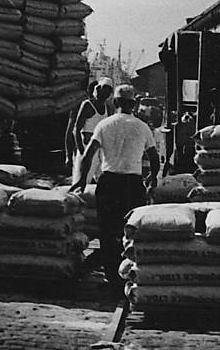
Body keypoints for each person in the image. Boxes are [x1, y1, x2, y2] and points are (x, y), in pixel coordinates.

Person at [70, 84, 159, 293]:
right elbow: (154, 157)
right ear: (133, 104)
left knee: (107, 230)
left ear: (116, 102)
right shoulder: (142, 127)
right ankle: (128, 274)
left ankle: (111, 276)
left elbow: (88, 154)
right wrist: (152, 177)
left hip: (109, 183)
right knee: (129, 231)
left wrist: (82, 181)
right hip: (132, 184)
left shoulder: (104, 125)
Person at [72, 76, 114, 185]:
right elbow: (76, 129)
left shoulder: (107, 108)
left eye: (108, 90)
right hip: (87, 147)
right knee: (81, 181)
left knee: (103, 182)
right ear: (98, 89)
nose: (105, 93)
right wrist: (82, 152)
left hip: (100, 150)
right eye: (104, 89)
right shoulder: (87, 105)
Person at [65, 81, 98, 169]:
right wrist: (68, 156)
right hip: (82, 148)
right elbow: (71, 131)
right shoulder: (81, 107)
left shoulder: (105, 108)